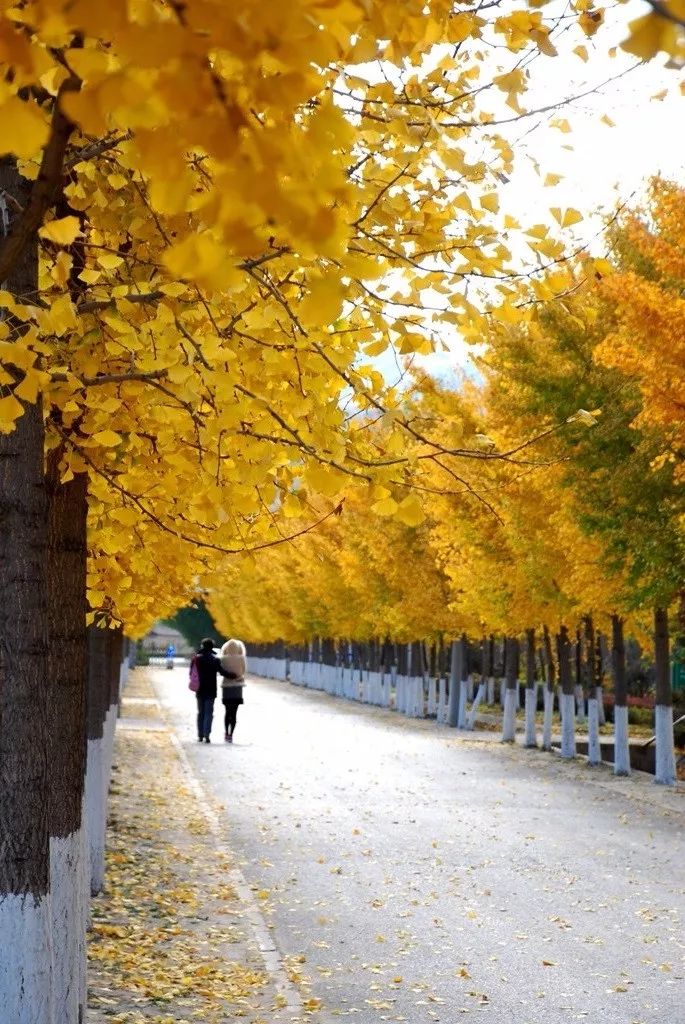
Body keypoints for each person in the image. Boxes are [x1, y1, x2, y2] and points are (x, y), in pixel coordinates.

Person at [195, 638, 230, 743]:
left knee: (200, 712)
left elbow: (191, 673)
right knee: (209, 713)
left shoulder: (197, 659)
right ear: (212, 647)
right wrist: (233, 675)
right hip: (211, 690)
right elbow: (222, 672)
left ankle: (200, 735)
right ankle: (207, 735)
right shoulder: (215, 659)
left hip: (199, 689)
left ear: (202, 646)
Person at [220, 638, 247, 743]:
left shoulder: (223, 658)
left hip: (226, 687)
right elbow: (244, 671)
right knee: (234, 713)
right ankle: (231, 734)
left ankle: (226, 732)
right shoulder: (241, 658)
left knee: (227, 712)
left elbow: (222, 671)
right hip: (237, 687)